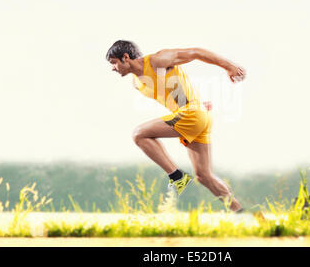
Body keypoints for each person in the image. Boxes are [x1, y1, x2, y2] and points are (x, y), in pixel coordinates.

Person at [105, 40, 246, 212]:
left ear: (125, 57)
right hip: (193, 114)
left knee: (139, 134)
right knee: (204, 176)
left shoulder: (157, 60)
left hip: (192, 115)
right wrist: (196, 104)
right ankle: (243, 213)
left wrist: (229, 67)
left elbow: (196, 52)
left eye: (114, 63)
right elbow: (173, 89)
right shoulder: (137, 83)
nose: (113, 68)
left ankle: (177, 177)